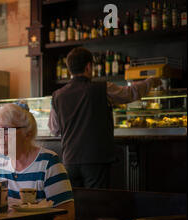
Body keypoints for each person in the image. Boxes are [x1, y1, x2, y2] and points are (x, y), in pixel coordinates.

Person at [48, 47, 162, 188]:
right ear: (89, 66)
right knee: (96, 203)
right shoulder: (102, 88)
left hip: (69, 159)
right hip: (95, 159)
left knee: (76, 202)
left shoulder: (57, 95)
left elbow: (54, 129)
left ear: (69, 68)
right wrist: (150, 82)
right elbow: (129, 93)